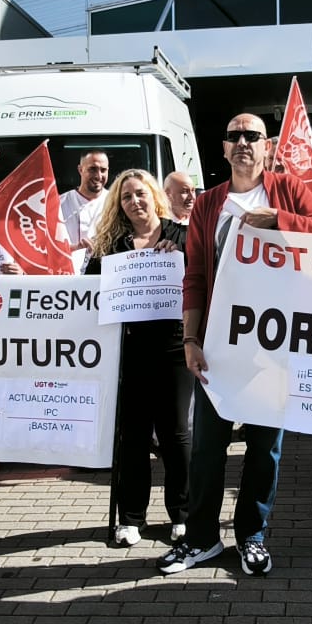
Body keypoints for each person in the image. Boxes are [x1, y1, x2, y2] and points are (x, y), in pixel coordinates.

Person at [164, 113, 312, 577]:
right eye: (234, 135)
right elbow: (196, 276)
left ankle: (252, 537)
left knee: (265, 448)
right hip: (220, 340)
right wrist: (190, 338)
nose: (242, 142)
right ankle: (201, 539)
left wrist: (276, 219)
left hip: (275, 342)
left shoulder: (289, 189)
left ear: (268, 147)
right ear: (223, 148)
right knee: (206, 448)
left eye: (252, 136)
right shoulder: (207, 204)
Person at [84, 171, 190, 547]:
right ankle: (131, 518)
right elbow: (87, 291)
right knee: (133, 437)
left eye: (140, 194)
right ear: (119, 205)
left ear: (155, 196)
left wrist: (181, 256)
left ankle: (183, 514)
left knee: (176, 435)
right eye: (126, 197)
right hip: (129, 352)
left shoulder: (180, 235)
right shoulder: (111, 245)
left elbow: (201, 276)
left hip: (175, 348)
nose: (134, 202)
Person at [59, 150, 111, 254]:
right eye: (93, 169)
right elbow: (47, 244)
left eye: (103, 170)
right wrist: (75, 248)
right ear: (80, 169)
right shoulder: (58, 203)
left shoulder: (116, 201)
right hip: (68, 268)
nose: (98, 176)